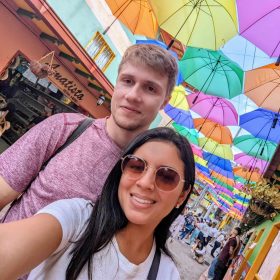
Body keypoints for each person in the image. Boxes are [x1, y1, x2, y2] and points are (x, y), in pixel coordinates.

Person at [0, 44, 178, 222]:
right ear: (117, 83)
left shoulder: (151, 179)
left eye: (150, 88)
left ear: (164, 102)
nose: (133, 95)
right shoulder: (64, 128)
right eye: (128, 81)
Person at [0, 127, 195, 279]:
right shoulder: (76, 219)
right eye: (136, 166)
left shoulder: (166, 273)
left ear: (182, 195)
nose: (145, 183)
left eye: (167, 176)